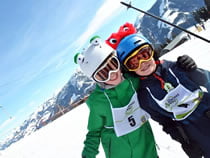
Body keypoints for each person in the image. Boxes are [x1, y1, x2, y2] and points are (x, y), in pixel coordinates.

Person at [114, 33, 210, 158]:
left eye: (144, 55)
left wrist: (194, 70)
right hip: (194, 130)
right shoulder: (144, 97)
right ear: (129, 69)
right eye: (134, 63)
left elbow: (206, 81)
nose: (142, 63)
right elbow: (166, 123)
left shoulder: (177, 67)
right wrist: (184, 141)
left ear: (152, 52)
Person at [74, 36, 158, 158]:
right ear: (96, 80)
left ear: (118, 62)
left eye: (112, 65)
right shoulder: (98, 102)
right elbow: (94, 131)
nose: (112, 75)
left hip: (146, 149)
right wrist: (88, 154)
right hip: (119, 153)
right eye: (103, 74)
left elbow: (153, 73)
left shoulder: (134, 81)